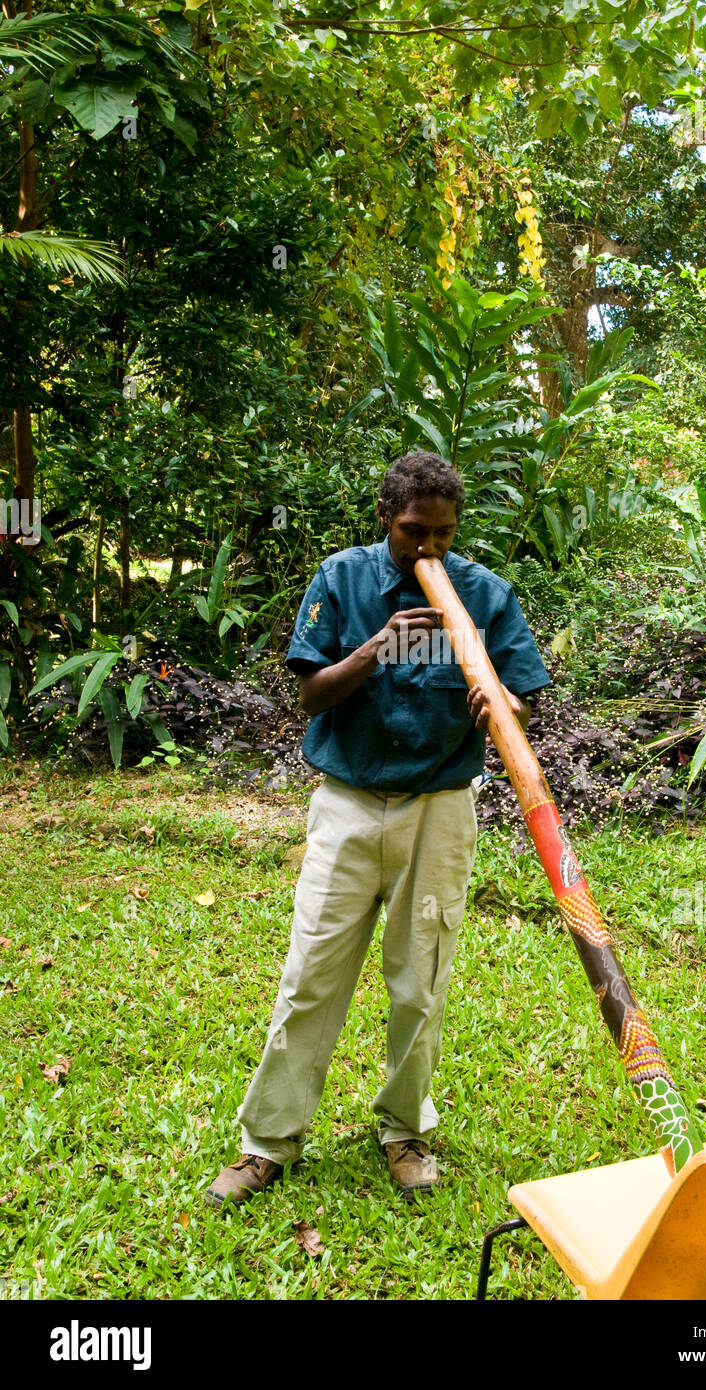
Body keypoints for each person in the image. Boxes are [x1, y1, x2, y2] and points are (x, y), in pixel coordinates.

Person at [205, 451, 550, 1208]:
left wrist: (498, 704)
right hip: (349, 802)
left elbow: (521, 700)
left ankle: (403, 1130)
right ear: (383, 520)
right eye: (412, 532)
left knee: (420, 982)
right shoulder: (341, 580)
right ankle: (267, 1142)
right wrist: (376, 647)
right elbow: (310, 695)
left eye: (443, 536)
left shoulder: (484, 594)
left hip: (440, 807)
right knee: (310, 977)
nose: (428, 549)